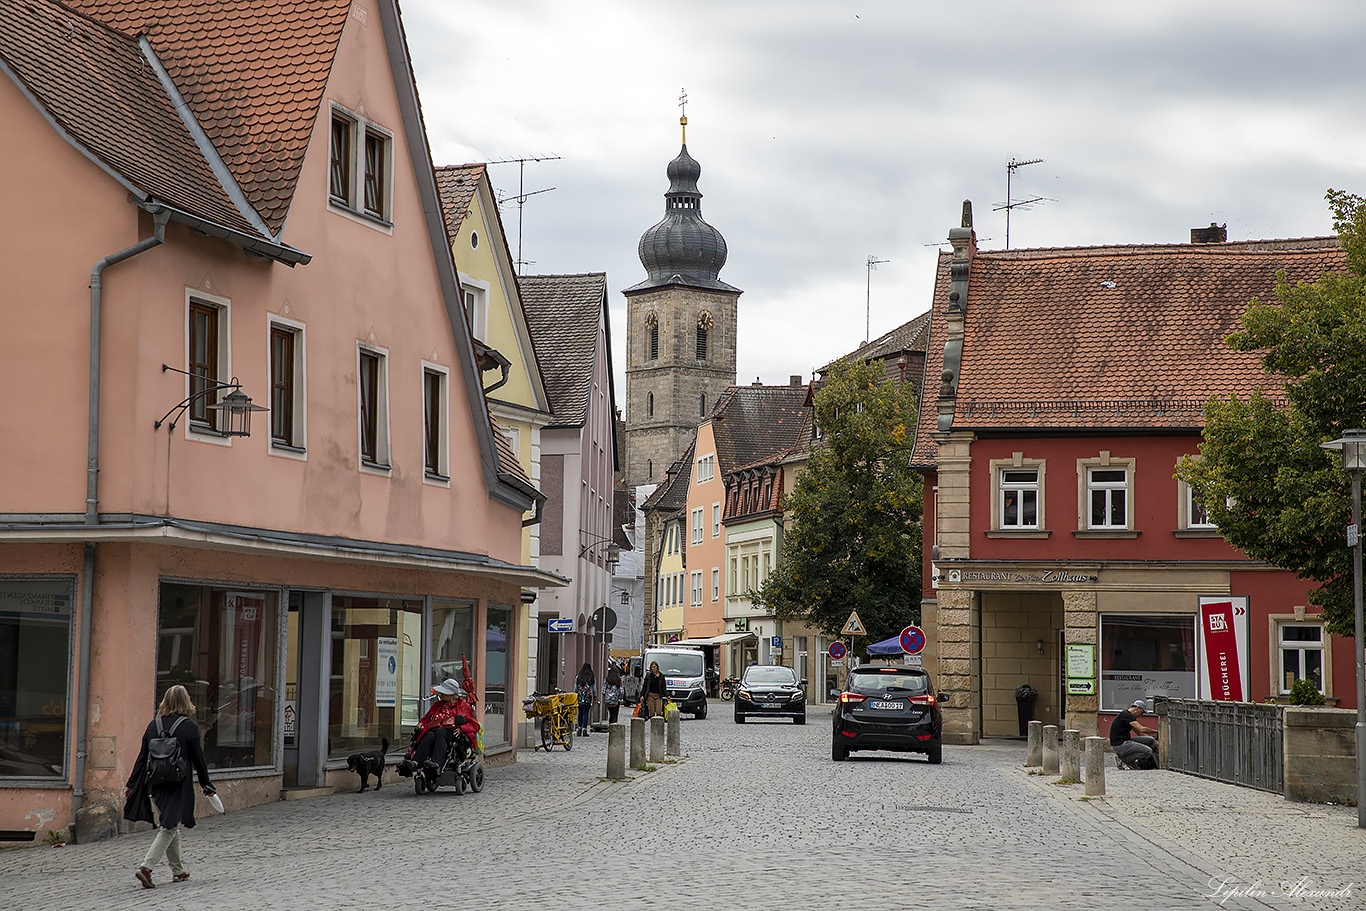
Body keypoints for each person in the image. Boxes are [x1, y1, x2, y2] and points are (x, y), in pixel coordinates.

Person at [124, 684, 215, 889]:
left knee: (170, 823)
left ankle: (178, 871)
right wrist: (206, 784)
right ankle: (146, 868)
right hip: (177, 783)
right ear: (186, 702)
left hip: (154, 783)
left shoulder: (152, 726)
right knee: (169, 826)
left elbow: (142, 758)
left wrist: (131, 784)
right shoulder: (189, 726)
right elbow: (198, 759)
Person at [409, 679, 465, 772]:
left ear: (451, 694)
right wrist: (422, 723)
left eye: (443, 692)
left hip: (452, 734)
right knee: (429, 735)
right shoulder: (438, 704)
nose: (441, 694)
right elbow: (427, 717)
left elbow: (473, 724)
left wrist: (461, 728)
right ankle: (416, 762)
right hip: (435, 731)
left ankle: (437, 762)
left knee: (441, 732)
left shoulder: (463, 706)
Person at [1109, 699, 1159, 769]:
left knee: (1150, 740)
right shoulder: (1127, 715)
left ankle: (1129, 761)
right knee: (1148, 752)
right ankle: (1124, 759)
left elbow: (1140, 732)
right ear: (1137, 708)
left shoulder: (1128, 716)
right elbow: (1142, 729)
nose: (1141, 715)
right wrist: (1157, 731)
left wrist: (1153, 740)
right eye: (1141, 712)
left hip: (1125, 741)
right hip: (1121, 745)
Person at [574, 663, 596, 736]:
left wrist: (575, 696)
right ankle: (584, 729)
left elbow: (576, 688)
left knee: (580, 713)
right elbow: (594, 689)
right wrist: (594, 697)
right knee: (585, 713)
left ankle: (579, 728)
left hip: (580, 697)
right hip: (587, 698)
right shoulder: (591, 677)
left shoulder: (579, 677)